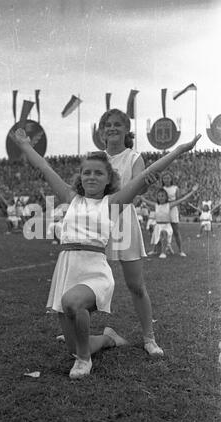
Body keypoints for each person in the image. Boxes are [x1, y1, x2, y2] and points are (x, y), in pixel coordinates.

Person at [11, 126, 200, 379]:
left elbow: (147, 175)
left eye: (98, 173)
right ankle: (108, 339)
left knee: (73, 304)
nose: (91, 177)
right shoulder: (70, 196)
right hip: (67, 270)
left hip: (94, 272)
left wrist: (179, 150)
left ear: (108, 179)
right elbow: (45, 168)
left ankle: (85, 362)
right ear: (80, 176)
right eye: (86, 172)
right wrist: (25, 146)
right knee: (76, 346)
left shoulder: (112, 203)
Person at [98, 108, 162, 356]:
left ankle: (149, 338)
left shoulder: (134, 158)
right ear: (102, 131)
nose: (111, 128)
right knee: (89, 279)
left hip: (125, 223)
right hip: (98, 223)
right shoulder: (96, 157)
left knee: (135, 284)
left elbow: (140, 188)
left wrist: (146, 182)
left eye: (116, 124)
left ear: (126, 130)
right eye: (107, 125)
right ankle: (78, 329)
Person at [141, 184, 198, 258]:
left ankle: (163, 252)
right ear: (157, 197)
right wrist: (140, 196)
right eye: (159, 196)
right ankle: (156, 250)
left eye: (163, 196)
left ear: (166, 197)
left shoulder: (169, 205)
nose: (161, 198)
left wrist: (192, 191)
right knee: (157, 238)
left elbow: (182, 199)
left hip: (166, 226)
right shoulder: (156, 205)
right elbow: (145, 200)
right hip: (158, 225)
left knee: (163, 233)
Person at [161, 172, 187, 256]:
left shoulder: (175, 188)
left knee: (176, 231)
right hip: (164, 210)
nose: (166, 180)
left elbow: (178, 201)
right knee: (163, 230)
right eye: (164, 178)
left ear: (171, 179)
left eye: (168, 178)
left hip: (173, 210)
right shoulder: (162, 188)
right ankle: (164, 249)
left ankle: (180, 250)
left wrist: (178, 212)